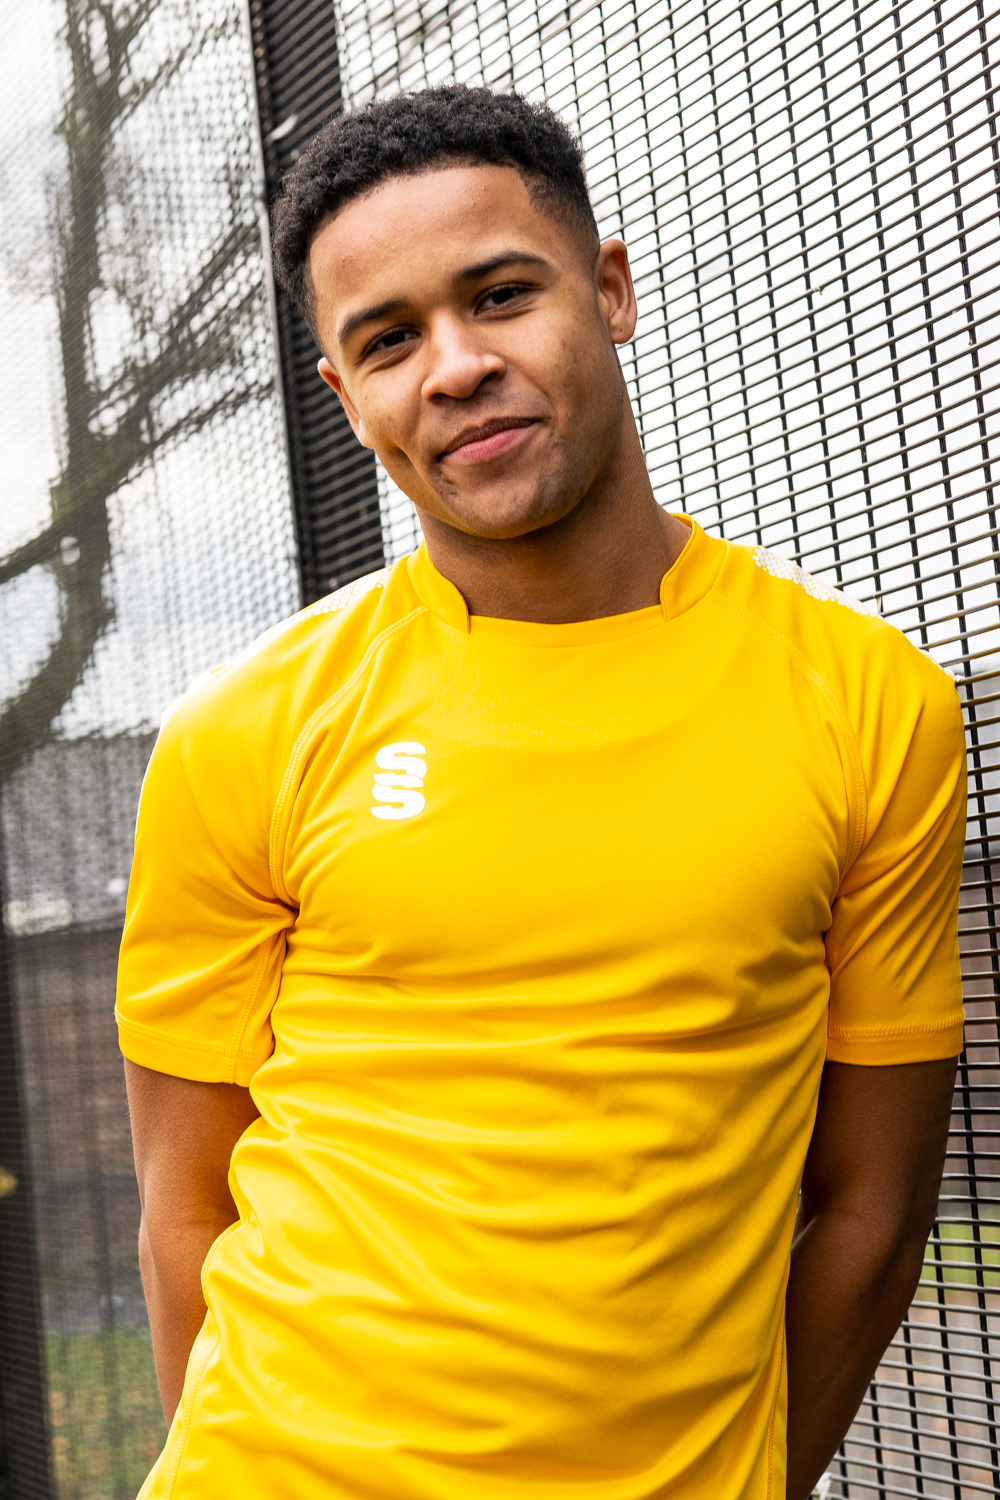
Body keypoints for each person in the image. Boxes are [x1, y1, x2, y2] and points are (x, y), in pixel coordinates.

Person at [118, 85, 966, 1500]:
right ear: (347, 398)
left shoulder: (874, 703)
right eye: (388, 341)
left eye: (500, 296)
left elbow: (874, 1210)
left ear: (610, 291)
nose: (455, 367)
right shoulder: (242, 732)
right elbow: (180, 1213)